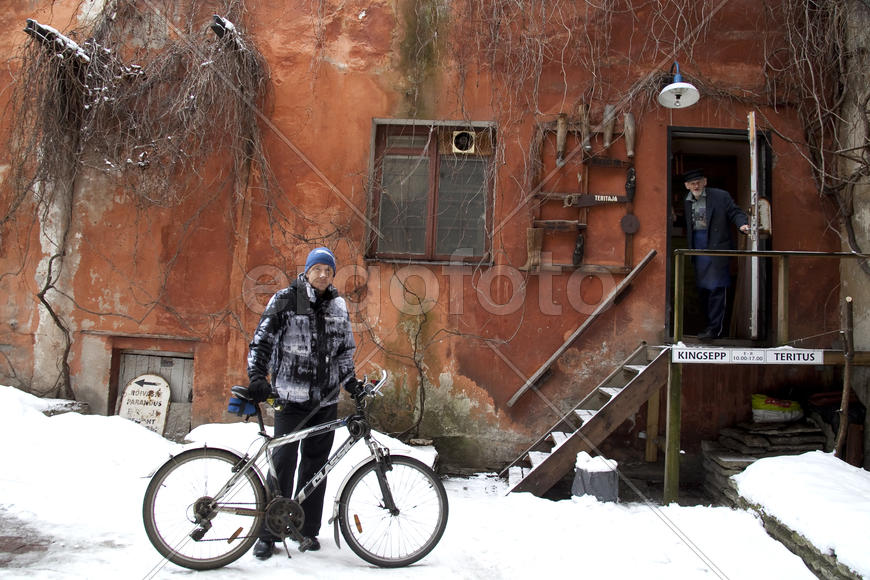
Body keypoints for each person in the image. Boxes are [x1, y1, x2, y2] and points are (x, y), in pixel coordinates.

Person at [245, 247, 357, 559]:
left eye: (328, 270)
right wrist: (256, 375)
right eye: (317, 268)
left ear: (333, 275)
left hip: (325, 401)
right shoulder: (287, 298)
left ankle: (305, 530)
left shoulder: (337, 305)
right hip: (289, 398)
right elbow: (262, 340)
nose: (323, 274)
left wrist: (353, 384)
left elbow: (345, 352)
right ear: (306, 271)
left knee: (316, 467)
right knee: (282, 464)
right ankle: (267, 532)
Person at [682, 168, 750, 340]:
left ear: (705, 182)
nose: (696, 185)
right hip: (698, 249)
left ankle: (715, 330)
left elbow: (735, 212)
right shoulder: (687, 201)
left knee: (717, 289)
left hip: (717, 247)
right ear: (687, 186)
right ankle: (708, 327)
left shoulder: (721, 196)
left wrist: (742, 225)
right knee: (703, 290)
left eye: (698, 182)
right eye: (692, 183)